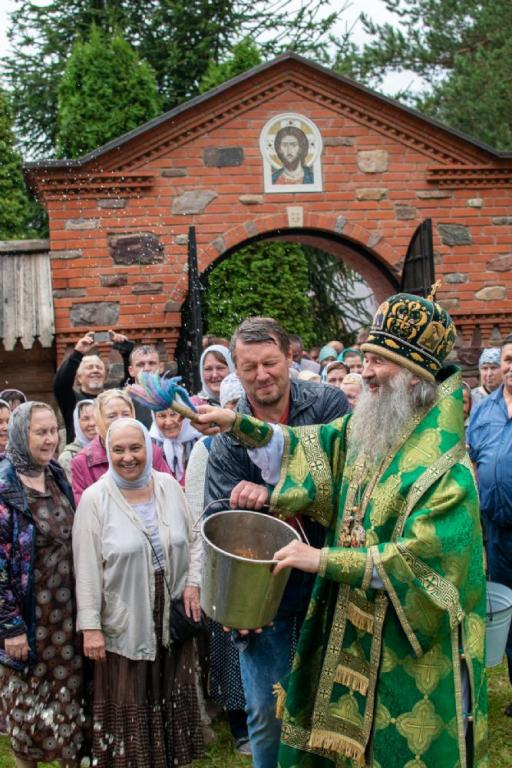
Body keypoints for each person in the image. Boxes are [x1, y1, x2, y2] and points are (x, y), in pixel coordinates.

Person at [197, 292, 487, 768]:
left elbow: (419, 563)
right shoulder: (374, 428)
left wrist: (320, 559)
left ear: (415, 376)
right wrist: (237, 424)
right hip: (356, 620)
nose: (365, 372)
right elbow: (315, 446)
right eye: (365, 358)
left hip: (412, 646)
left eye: (379, 362)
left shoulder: (446, 472)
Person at [204, 317, 349, 768]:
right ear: (237, 370)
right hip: (265, 590)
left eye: (270, 362)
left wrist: (272, 494)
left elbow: (347, 480)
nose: (262, 375)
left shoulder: (327, 405)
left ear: (290, 357)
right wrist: (238, 604)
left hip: (329, 576)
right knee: (267, 711)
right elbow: (218, 520)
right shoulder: (228, 440)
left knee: (337, 705)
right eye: (249, 367)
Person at [72, 417, 204, 768]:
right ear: (108, 452)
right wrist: (91, 627)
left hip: (171, 614)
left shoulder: (168, 487)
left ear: (148, 448)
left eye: (135, 448)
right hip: (125, 617)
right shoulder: (95, 500)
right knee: (132, 693)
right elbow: (86, 569)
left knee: (170, 689)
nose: (128, 457)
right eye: (118, 450)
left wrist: (193, 582)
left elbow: (195, 539)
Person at [0, 402, 86, 767]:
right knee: (27, 713)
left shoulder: (55, 473)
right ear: (21, 435)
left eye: (53, 431)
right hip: (29, 624)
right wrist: (11, 628)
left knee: (70, 707)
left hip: (66, 621)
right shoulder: (4, 488)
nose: (50, 439)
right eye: (41, 432)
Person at [185, 371, 250, 753]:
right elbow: (198, 514)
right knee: (230, 639)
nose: (239, 412)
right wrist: (197, 576)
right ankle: (240, 722)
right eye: (232, 405)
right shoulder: (205, 450)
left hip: (264, 554)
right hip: (222, 560)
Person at [468, 335, 512, 715]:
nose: (511, 367)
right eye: (507, 360)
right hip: (497, 532)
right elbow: (471, 460)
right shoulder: (484, 411)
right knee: (508, 609)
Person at [70, 389, 170, 505]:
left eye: (126, 414)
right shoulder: (82, 462)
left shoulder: (152, 451)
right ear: (98, 420)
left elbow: (167, 496)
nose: (120, 420)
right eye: (112, 416)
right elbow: (86, 509)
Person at [54, 330, 134, 442]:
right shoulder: (71, 401)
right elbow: (60, 384)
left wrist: (126, 353)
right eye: (89, 367)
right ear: (79, 377)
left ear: (105, 376)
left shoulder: (114, 398)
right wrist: (78, 352)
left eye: (99, 367)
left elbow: (131, 383)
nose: (95, 370)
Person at [149, 408, 200, 486]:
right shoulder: (149, 447)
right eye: (162, 416)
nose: (168, 422)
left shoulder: (200, 442)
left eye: (173, 414)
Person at [126, 343, 165, 428]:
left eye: (151, 363)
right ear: (131, 371)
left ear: (161, 367)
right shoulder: (124, 400)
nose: (147, 369)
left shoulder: (175, 397)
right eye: (140, 365)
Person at [57, 399, 97, 481]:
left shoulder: (110, 450)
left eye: (96, 417)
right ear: (77, 423)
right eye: (86, 419)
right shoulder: (68, 457)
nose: (92, 423)